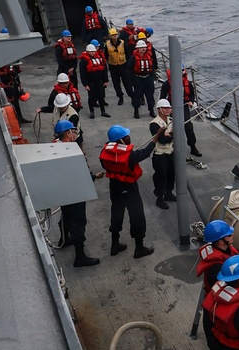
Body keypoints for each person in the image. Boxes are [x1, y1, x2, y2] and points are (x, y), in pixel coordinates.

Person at [98, 123, 155, 258]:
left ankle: (115, 245)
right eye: (127, 136)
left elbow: (106, 164)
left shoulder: (104, 152)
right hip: (130, 190)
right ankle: (139, 248)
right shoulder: (130, 156)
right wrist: (156, 137)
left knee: (116, 215)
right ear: (120, 140)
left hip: (115, 189)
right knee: (137, 217)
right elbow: (146, 152)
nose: (129, 138)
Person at [52, 118, 101, 267]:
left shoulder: (54, 146)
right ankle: (80, 257)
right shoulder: (71, 152)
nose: (75, 134)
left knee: (66, 215)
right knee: (78, 222)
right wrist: (94, 176)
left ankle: (64, 239)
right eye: (73, 131)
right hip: (75, 191)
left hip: (63, 191)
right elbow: (79, 174)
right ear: (67, 133)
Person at [162, 64, 203, 158]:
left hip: (184, 107)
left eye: (181, 70)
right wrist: (166, 109)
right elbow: (162, 98)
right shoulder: (167, 84)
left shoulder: (188, 83)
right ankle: (172, 147)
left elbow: (191, 95)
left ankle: (193, 146)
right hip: (171, 108)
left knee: (188, 127)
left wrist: (191, 102)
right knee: (171, 129)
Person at [196, 219, 237, 292]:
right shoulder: (215, 268)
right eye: (229, 235)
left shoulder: (227, 249)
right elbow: (225, 288)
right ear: (221, 241)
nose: (232, 234)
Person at [149, 99, 176, 208]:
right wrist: (170, 135)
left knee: (171, 174)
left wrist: (168, 135)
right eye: (165, 108)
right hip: (159, 154)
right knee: (161, 176)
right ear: (159, 110)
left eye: (169, 107)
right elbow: (162, 140)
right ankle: (160, 198)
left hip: (170, 152)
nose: (168, 109)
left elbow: (177, 135)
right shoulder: (154, 124)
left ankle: (168, 193)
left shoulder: (171, 120)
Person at [79, 39, 110, 118]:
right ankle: (91, 111)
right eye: (91, 51)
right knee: (91, 97)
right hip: (90, 82)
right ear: (88, 52)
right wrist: (85, 84)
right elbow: (82, 74)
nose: (93, 53)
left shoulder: (98, 59)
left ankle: (103, 111)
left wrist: (105, 80)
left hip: (99, 81)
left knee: (101, 97)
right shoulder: (83, 61)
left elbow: (103, 70)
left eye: (94, 51)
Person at [130, 37, 157, 117]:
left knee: (150, 95)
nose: (143, 49)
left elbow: (151, 67)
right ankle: (136, 110)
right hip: (138, 78)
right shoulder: (133, 58)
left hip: (148, 78)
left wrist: (152, 78)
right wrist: (132, 81)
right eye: (141, 48)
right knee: (137, 95)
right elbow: (130, 69)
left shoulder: (148, 56)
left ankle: (151, 110)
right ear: (137, 48)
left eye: (144, 47)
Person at [104, 27, 128, 105]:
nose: (114, 36)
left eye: (115, 35)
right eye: (113, 35)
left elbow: (128, 53)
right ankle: (120, 96)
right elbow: (106, 55)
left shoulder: (123, 43)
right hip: (113, 66)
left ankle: (131, 94)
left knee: (127, 82)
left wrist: (127, 64)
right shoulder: (107, 45)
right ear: (110, 36)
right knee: (116, 83)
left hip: (123, 65)